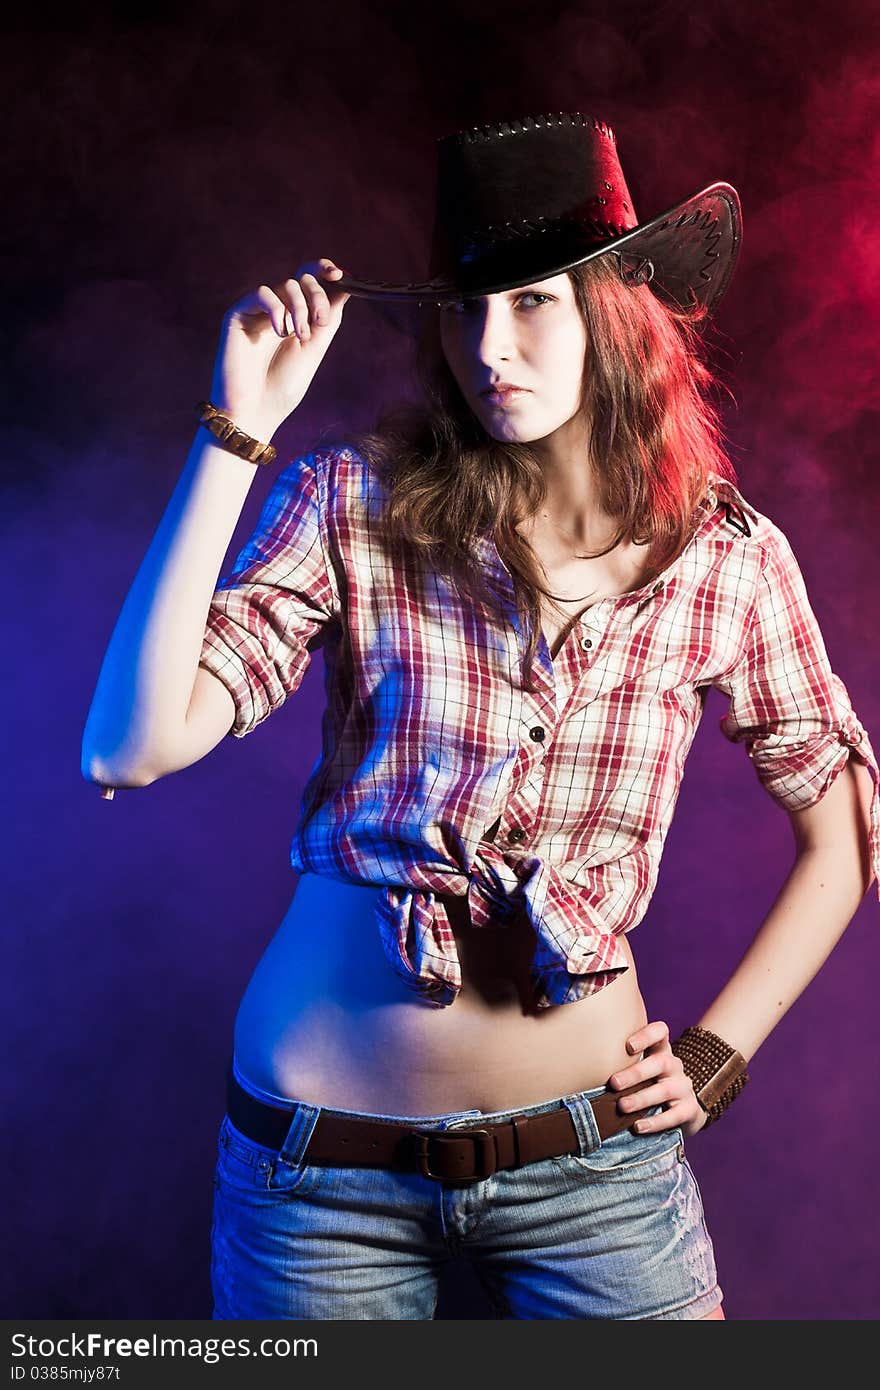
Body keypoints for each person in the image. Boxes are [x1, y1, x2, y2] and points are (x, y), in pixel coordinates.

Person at [82, 111, 880, 1321]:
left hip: (595, 1168)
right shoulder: (352, 500)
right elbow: (127, 747)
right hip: (319, 1176)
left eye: (535, 301)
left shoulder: (726, 560)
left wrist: (719, 1054)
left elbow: (847, 827)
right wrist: (237, 432)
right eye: (465, 307)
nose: (489, 346)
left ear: (618, 308)